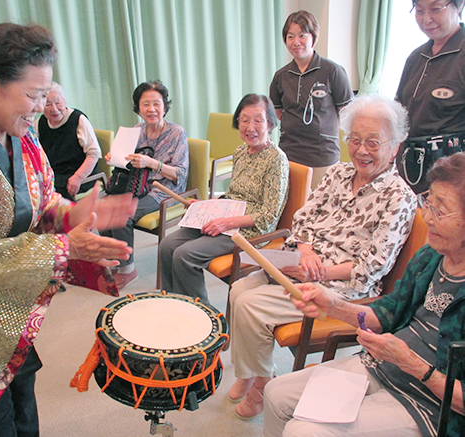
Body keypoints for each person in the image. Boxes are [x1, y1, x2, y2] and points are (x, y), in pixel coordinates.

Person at [0, 19, 138, 436]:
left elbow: (43, 199)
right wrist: (66, 248)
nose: (39, 107)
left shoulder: (23, 140)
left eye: (45, 96)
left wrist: (76, 212)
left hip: (13, 322)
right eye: (32, 95)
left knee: (25, 416)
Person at [228, 94, 418, 420]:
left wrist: (322, 273)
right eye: (355, 139)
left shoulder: (398, 197)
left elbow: (373, 266)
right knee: (238, 290)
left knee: (248, 304)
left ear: (395, 147)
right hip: (301, 265)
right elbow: (302, 219)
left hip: (343, 287)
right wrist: (304, 251)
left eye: (373, 143)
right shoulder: (338, 173)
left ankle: (261, 385)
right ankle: (254, 372)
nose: (361, 150)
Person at [264, 152, 465, 437]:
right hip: (383, 365)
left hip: (427, 404)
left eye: (440, 210)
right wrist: (332, 304)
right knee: (275, 393)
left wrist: (413, 364)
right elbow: (385, 313)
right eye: (428, 203)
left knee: (303, 430)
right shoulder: (431, 256)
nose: (427, 217)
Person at [159, 94, 289, 304]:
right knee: (167, 246)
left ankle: (203, 316)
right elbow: (232, 195)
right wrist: (206, 207)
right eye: (244, 120)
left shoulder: (277, 159)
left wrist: (226, 222)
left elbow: (269, 216)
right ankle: (174, 304)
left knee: (184, 255)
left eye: (258, 120)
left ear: (271, 123)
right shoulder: (240, 152)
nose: (250, 127)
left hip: (250, 230)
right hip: (228, 218)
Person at [101, 80, 189, 290]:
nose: (152, 109)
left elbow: (181, 174)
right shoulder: (137, 130)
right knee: (103, 208)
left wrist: (153, 164)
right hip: (134, 185)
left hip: (163, 191)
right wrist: (114, 157)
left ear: (165, 106)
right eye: (146, 104)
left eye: (157, 104)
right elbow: (124, 161)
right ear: (138, 108)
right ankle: (114, 259)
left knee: (122, 214)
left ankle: (127, 269)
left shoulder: (177, 133)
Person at [270, 10, 354, 190]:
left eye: (302, 35)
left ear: (313, 38)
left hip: (322, 154)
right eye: (290, 36)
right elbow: (277, 112)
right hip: (289, 152)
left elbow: (347, 112)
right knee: (292, 208)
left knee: (322, 209)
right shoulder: (281, 76)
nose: (296, 42)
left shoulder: (332, 71)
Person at [396, 0, 465, 193]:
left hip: (452, 177)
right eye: (419, 11)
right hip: (410, 168)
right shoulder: (416, 57)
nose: (426, 19)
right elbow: (399, 109)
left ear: (459, 6)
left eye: (435, 9)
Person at [34, 81, 101, 201]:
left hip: (79, 176)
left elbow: (94, 154)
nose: (54, 109)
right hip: (55, 177)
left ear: (64, 101)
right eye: (48, 104)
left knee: (52, 197)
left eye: (58, 102)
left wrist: (78, 177)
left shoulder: (78, 119)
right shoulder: (40, 123)